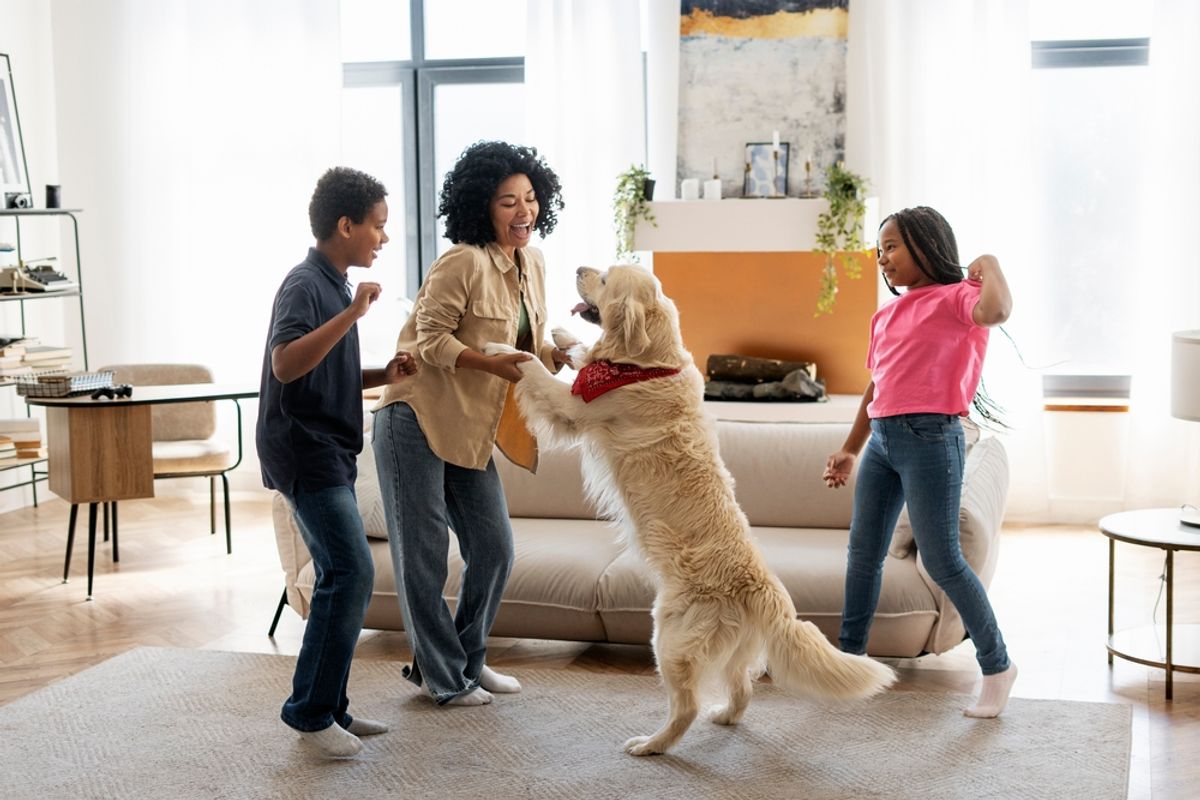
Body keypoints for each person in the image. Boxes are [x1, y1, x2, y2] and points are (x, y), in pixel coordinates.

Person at [371, 140, 568, 706]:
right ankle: (441, 677)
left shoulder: (533, 263)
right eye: (508, 202)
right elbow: (429, 340)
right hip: (416, 417)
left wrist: (562, 352)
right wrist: (489, 363)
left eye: (530, 199)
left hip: (471, 428)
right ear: (482, 206)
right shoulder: (463, 261)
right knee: (424, 555)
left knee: (494, 548)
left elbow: (527, 346)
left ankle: (465, 662)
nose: (523, 211)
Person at [823, 205, 1018, 718]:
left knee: (942, 560)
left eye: (891, 246)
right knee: (863, 554)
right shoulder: (885, 313)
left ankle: (997, 666)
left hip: (932, 440)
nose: (881, 257)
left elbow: (998, 311)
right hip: (883, 442)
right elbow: (877, 385)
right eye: (879, 249)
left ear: (927, 245)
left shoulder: (960, 298)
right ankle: (850, 659)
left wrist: (991, 262)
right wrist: (850, 447)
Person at [257, 166, 417, 757]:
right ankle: (310, 714)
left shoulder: (332, 282)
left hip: (330, 448)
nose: (384, 237)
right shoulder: (306, 284)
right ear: (345, 225)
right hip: (305, 450)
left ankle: (332, 709)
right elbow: (285, 366)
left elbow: (327, 371)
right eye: (377, 225)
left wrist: (383, 373)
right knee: (350, 573)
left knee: (341, 576)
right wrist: (352, 316)